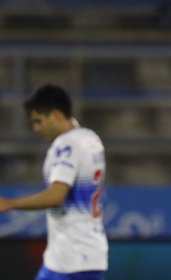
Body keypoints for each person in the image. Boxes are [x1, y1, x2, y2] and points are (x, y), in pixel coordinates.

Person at [0, 84, 108, 280]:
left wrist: (9, 204)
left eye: (38, 121)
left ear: (56, 115)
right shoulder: (91, 139)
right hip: (84, 253)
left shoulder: (67, 144)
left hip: (72, 257)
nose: (36, 128)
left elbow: (56, 195)